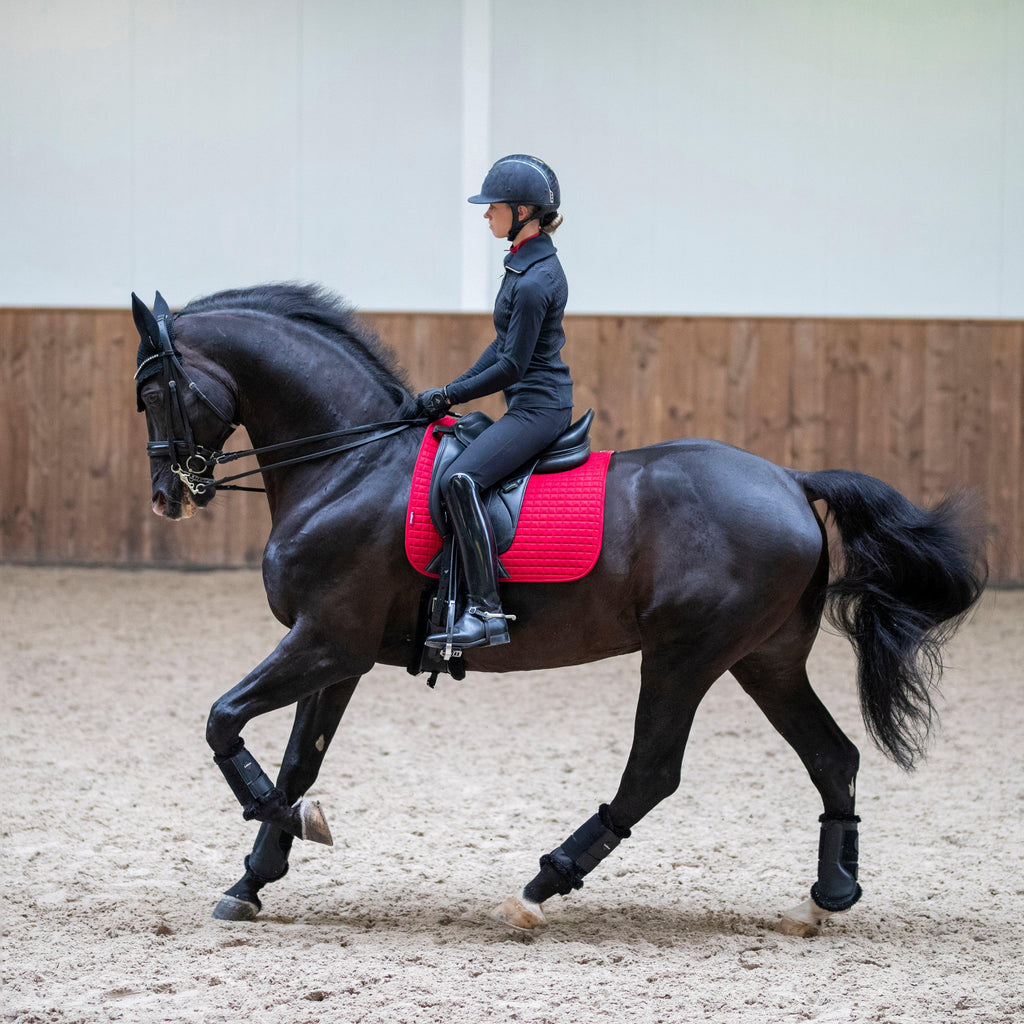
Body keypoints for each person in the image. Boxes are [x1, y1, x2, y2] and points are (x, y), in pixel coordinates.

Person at [418, 154, 574, 652]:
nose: (486, 215)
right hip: (527, 402)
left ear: (523, 210)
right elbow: (502, 345)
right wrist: (450, 389)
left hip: (539, 408)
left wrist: (449, 394)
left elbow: (511, 367)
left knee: (462, 480)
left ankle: (485, 611)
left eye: (494, 207)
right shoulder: (522, 265)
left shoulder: (533, 282)